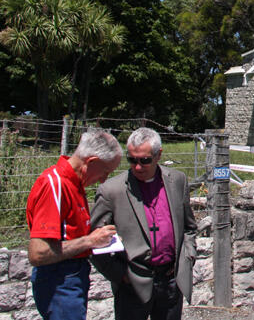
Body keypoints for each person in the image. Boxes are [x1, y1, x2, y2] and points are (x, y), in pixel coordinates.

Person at [90, 127, 197, 320]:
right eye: (132, 160)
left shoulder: (177, 181)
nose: (138, 167)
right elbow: (94, 241)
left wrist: (188, 257)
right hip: (133, 284)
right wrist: (119, 274)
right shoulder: (111, 191)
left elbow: (189, 227)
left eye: (145, 160)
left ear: (158, 155)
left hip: (171, 281)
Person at [26, 130, 123, 320]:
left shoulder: (74, 184)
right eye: (105, 172)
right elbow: (38, 253)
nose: (103, 180)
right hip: (59, 280)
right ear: (91, 162)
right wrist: (90, 241)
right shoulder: (56, 185)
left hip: (71, 276)